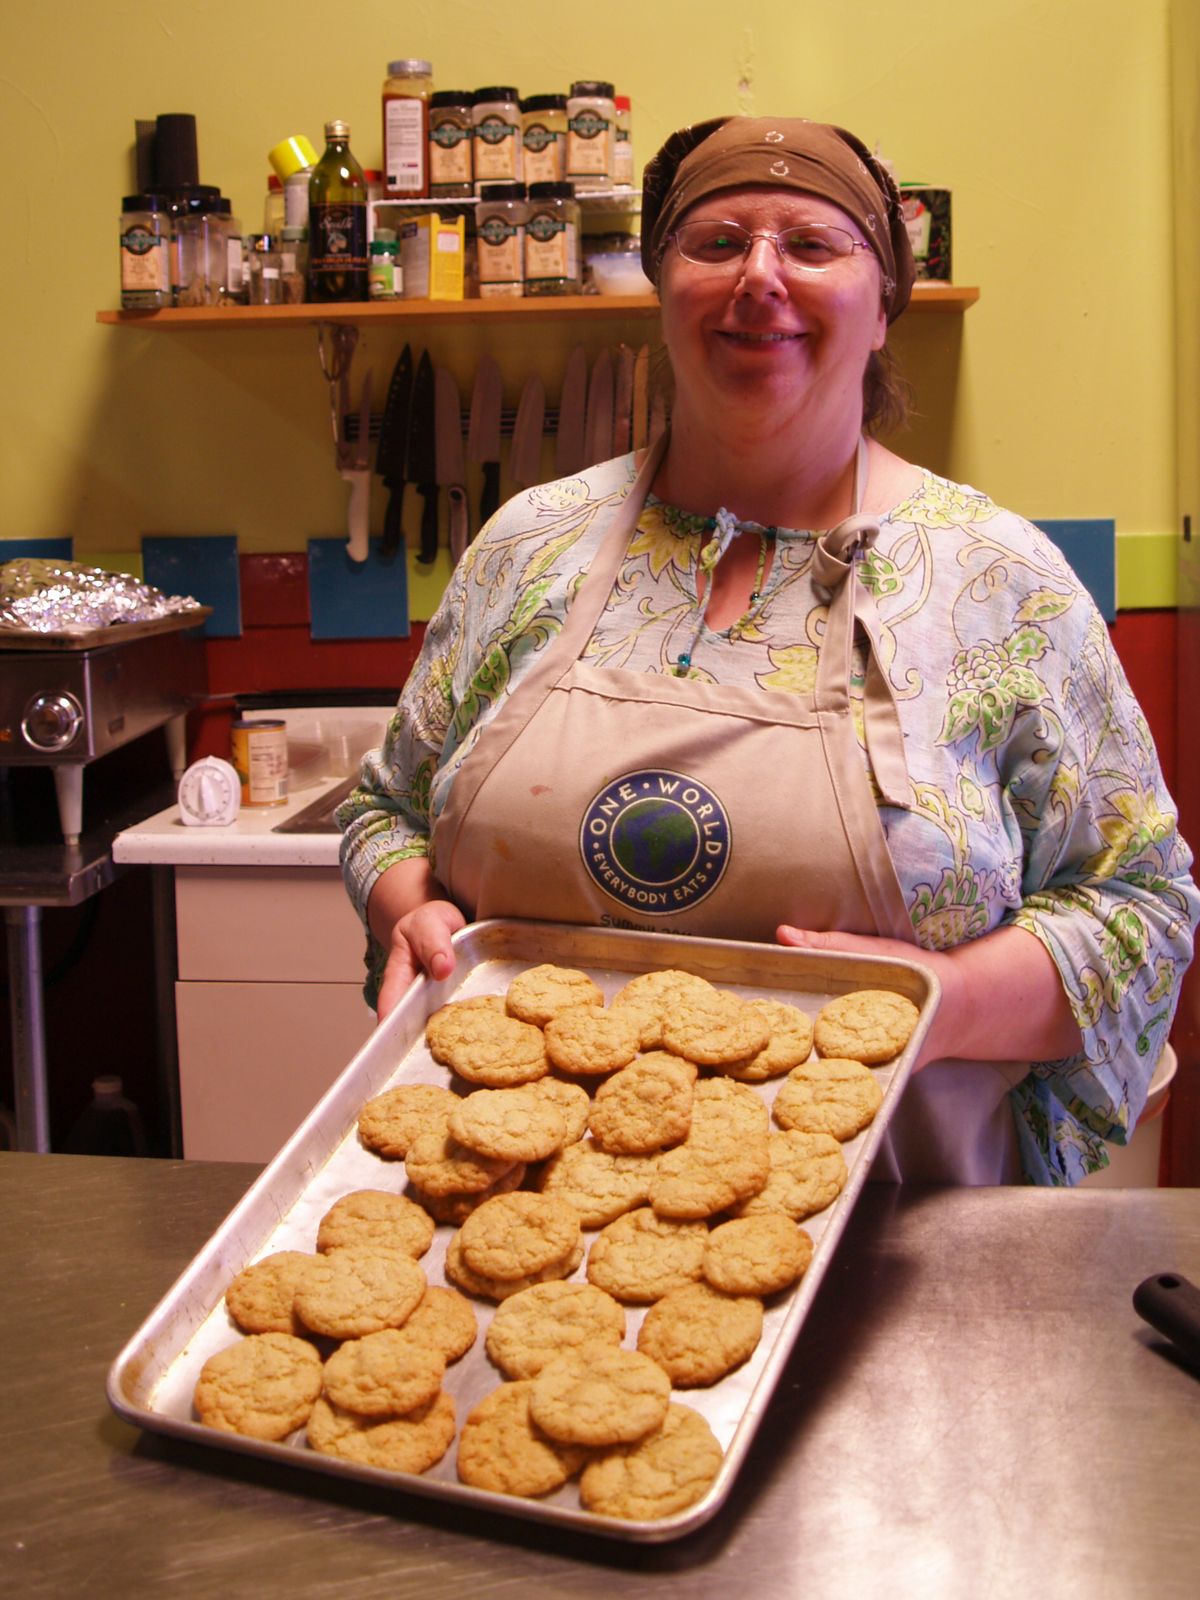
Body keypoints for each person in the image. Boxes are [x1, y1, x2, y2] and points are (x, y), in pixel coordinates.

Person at [338, 114, 1198, 1185]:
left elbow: (1139, 910)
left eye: (810, 244)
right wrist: (410, 908)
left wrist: (941, 1005)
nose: (759, 277)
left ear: (884, 306)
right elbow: (385, 811)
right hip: (518, 1226)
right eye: (716, 242)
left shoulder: (995, 582)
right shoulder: (527, 547)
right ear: (662, 288)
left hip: (896, 1236)